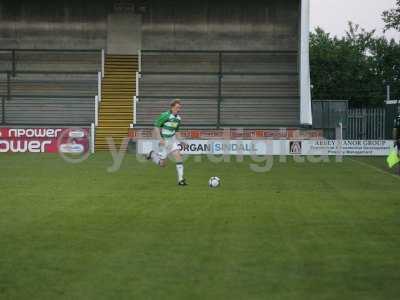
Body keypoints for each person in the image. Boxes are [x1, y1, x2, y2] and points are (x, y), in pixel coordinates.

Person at [146, 99, 187, 186]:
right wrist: (160, 139)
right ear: (172, 107)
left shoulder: (178, 118)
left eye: (179, 108)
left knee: (178, 157)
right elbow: (156, 126)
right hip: (165, 142)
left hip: (172, 141)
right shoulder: (165, 115)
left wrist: (182, 141)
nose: (178, 109)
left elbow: (177, 131)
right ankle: (153, 154)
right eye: (177, 107)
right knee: (162, 164)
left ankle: (181, 180)